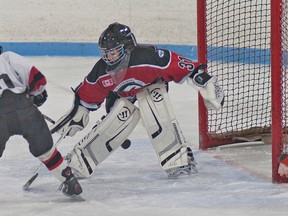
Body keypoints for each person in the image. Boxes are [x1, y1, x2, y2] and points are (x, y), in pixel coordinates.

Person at [53, 22, 224, 179]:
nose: (109, 58)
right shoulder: (101, 70)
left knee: (150, 98)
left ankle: (177, 158)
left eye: (114, 51)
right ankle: (81, 160)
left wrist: (207, 83)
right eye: (106, 53)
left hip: (151, 90)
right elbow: (86, 96)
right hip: (119, 98)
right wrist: (78, 114)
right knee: (122, 113)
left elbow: (188, 68)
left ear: (127, 47)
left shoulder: (148, 57)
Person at [0, 47, 82, 197]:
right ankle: (70, 182)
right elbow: (39, 80)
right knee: (46, 152)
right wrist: (32, 96)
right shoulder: (8, 57)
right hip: (25, 111)